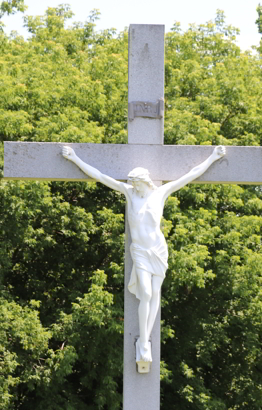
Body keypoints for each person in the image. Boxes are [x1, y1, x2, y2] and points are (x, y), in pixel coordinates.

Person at [62, 145, 226, 363]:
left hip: (157, 249)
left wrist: (213, 158)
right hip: (139, 250)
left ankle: (145, 340)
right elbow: (100, 176)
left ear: (146, 182)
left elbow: (190, 175)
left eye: (137, 184)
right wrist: (75, 159)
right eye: (133, 184)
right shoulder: (129, 194)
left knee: (155, 294)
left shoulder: (160, 193)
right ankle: (142, 339)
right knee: (146, 294)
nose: (134, 187)